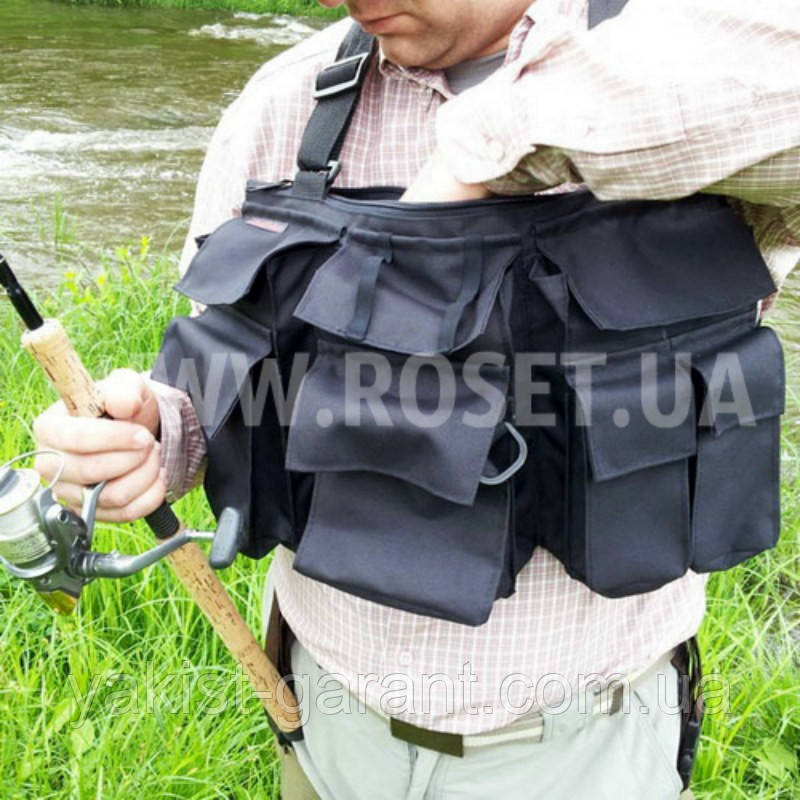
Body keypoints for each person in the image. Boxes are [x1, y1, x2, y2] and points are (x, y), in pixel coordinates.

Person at [33, 1, 799, 798]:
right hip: (322, 718)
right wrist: (155, 436)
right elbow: (219, 382)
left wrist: (487, 146)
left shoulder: (713, 61)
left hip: (588, 749)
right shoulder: (283, 102)